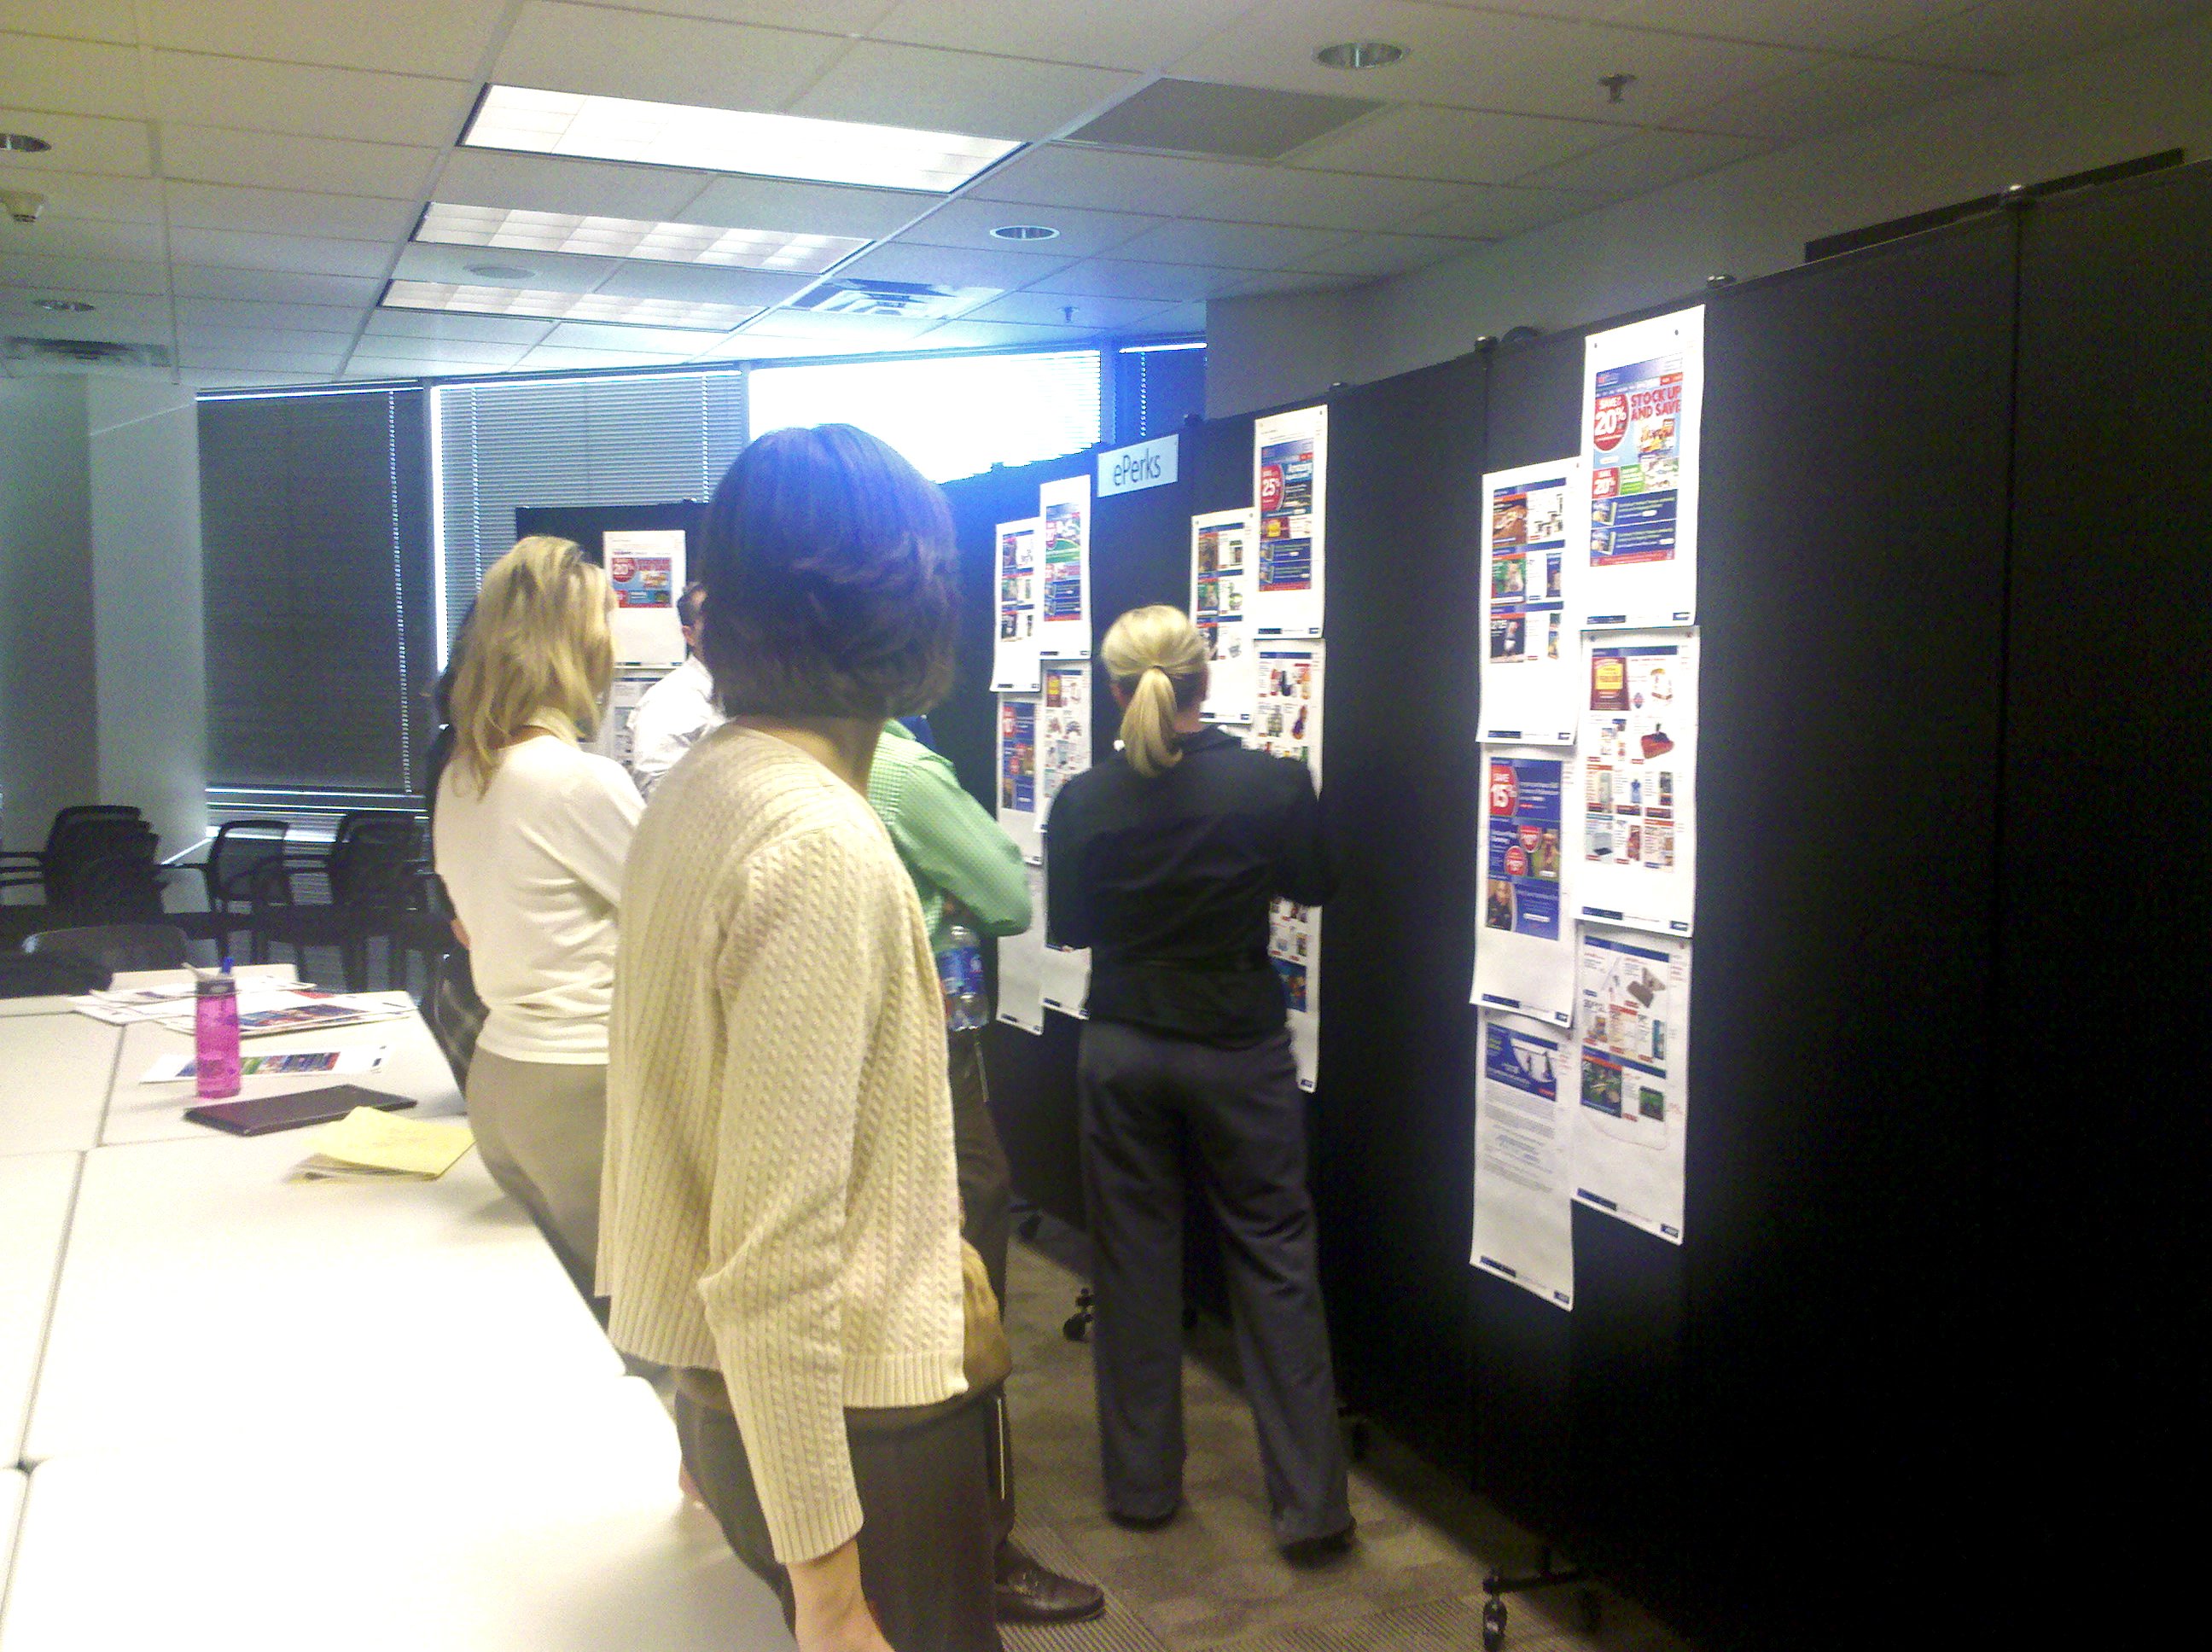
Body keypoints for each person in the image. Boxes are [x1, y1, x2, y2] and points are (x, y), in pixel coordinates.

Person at [601, 425, 999, 1652]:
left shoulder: (702, 788)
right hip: (852, 1438)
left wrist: (700, 1417)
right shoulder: (819, 844)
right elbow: (778, 1256)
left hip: (758, 1415)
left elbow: (674, 1130)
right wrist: (829, 1590)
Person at [1045, 603, 1353, 1562]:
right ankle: (1311, 1507)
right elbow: (1317, 883)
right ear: (1205, 679)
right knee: (1274, 1257)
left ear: (1112, 687)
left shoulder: (1084, 798)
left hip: (1125, 1045)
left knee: (1133, 1265)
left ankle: (1141, 1490)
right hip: (1237, 1048)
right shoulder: (1269, 784)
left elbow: (1074, 926)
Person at [866, 718, 1107, 1626]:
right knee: (968, 1288)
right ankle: (982, 1550)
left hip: (850, 1062)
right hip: (926, 1059)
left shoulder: (753, 751)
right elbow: (1007, 891)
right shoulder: (898, 766)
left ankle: (918, 1537)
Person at [432, 537, 641, 1299]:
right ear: (581, 643)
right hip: (585, 1082)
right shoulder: (576, 781)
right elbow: (687, 924)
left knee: (572, 1320)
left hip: (503, 1079)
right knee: (650, 1340)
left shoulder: (463, 779)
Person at [626, 579, 722, 796]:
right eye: (714, 622)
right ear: (689, 635)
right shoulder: (670, 701)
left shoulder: (741, 690)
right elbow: (656, 791)